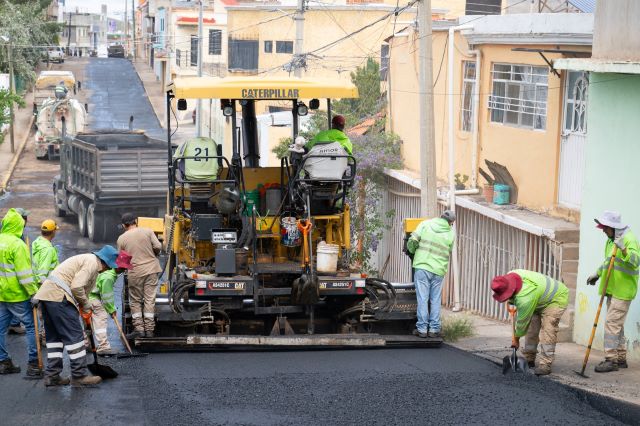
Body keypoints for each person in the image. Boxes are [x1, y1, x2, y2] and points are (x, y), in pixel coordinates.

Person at [33, 245, 130, 387]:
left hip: (47, 296)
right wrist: (85, 304)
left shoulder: (87, 260)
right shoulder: (92, 263)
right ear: (105, 262)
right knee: (76, 337)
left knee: (54, 339)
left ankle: (52, 376)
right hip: (60, 298)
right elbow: (77, 287)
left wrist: (81, 304)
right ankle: (79, 376)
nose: (108, 270)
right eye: (109, 267)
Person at [587, 211, 639, 373]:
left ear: (613, 227)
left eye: (605, 228)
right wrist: (597, 273)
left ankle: (611, 360)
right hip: (612, 288)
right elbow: (608, 262)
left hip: (623, 291)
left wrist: (624, 250)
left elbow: (636, 262)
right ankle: (621, 357)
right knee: (617, 325)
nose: (603, 231)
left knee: (611, 325)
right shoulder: (611, 240)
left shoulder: (628, 239)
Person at [491, 270, 568, 376]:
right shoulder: (510, 276)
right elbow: (514, 300)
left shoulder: (525, 299)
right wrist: (511, 300)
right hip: (537, 298)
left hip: (556, 298)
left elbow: (522, 324)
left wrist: (516, 339)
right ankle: (529, 358)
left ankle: (546, 364)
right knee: (532, 329)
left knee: (548, 330)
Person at [0, 208, 40, 377]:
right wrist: (34, 293)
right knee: (31, 327)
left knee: (0, 329)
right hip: (18, 295)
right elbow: (25, 275)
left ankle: (3, 362)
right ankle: (33, 364)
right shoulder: (18, 245)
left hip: (2, 294)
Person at [406, 210, 456, 338]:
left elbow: (413, 240)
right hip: (438, 270)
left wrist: (411, 251)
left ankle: (422, 329)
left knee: (423, 298)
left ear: (440, 216)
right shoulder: (451, 233)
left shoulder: (426, 224)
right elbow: (449, 250)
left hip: (422, 266)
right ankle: (434, 329)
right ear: (451, 223)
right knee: (435, 299)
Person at [117, 213, 162, 339]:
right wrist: (154, 254)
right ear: (136, 221)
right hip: (152, 269)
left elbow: (122, 261)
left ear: (123, 225)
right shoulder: (148, 231)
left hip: (135, 272)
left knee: (135, 300)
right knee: (149, 299)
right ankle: (149, 330)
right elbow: (158, 246)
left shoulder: (122, 239)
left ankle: (139, 330)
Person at [89, 251, 132, 356]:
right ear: (118, 266)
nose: (124, 270)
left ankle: (87, 344)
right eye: (123, 268)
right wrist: (111, 310)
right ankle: (103, 346)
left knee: (88, 321)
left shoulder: (108, 271)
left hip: (85, 296)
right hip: (92, 297)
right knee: (101, 317)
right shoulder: (108, 276)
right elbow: (107, 296)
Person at [32, 219, 60, 285]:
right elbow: (42, 274)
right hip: (46, 286)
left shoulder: (39, 243)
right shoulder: (48, 249)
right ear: (53, 231)